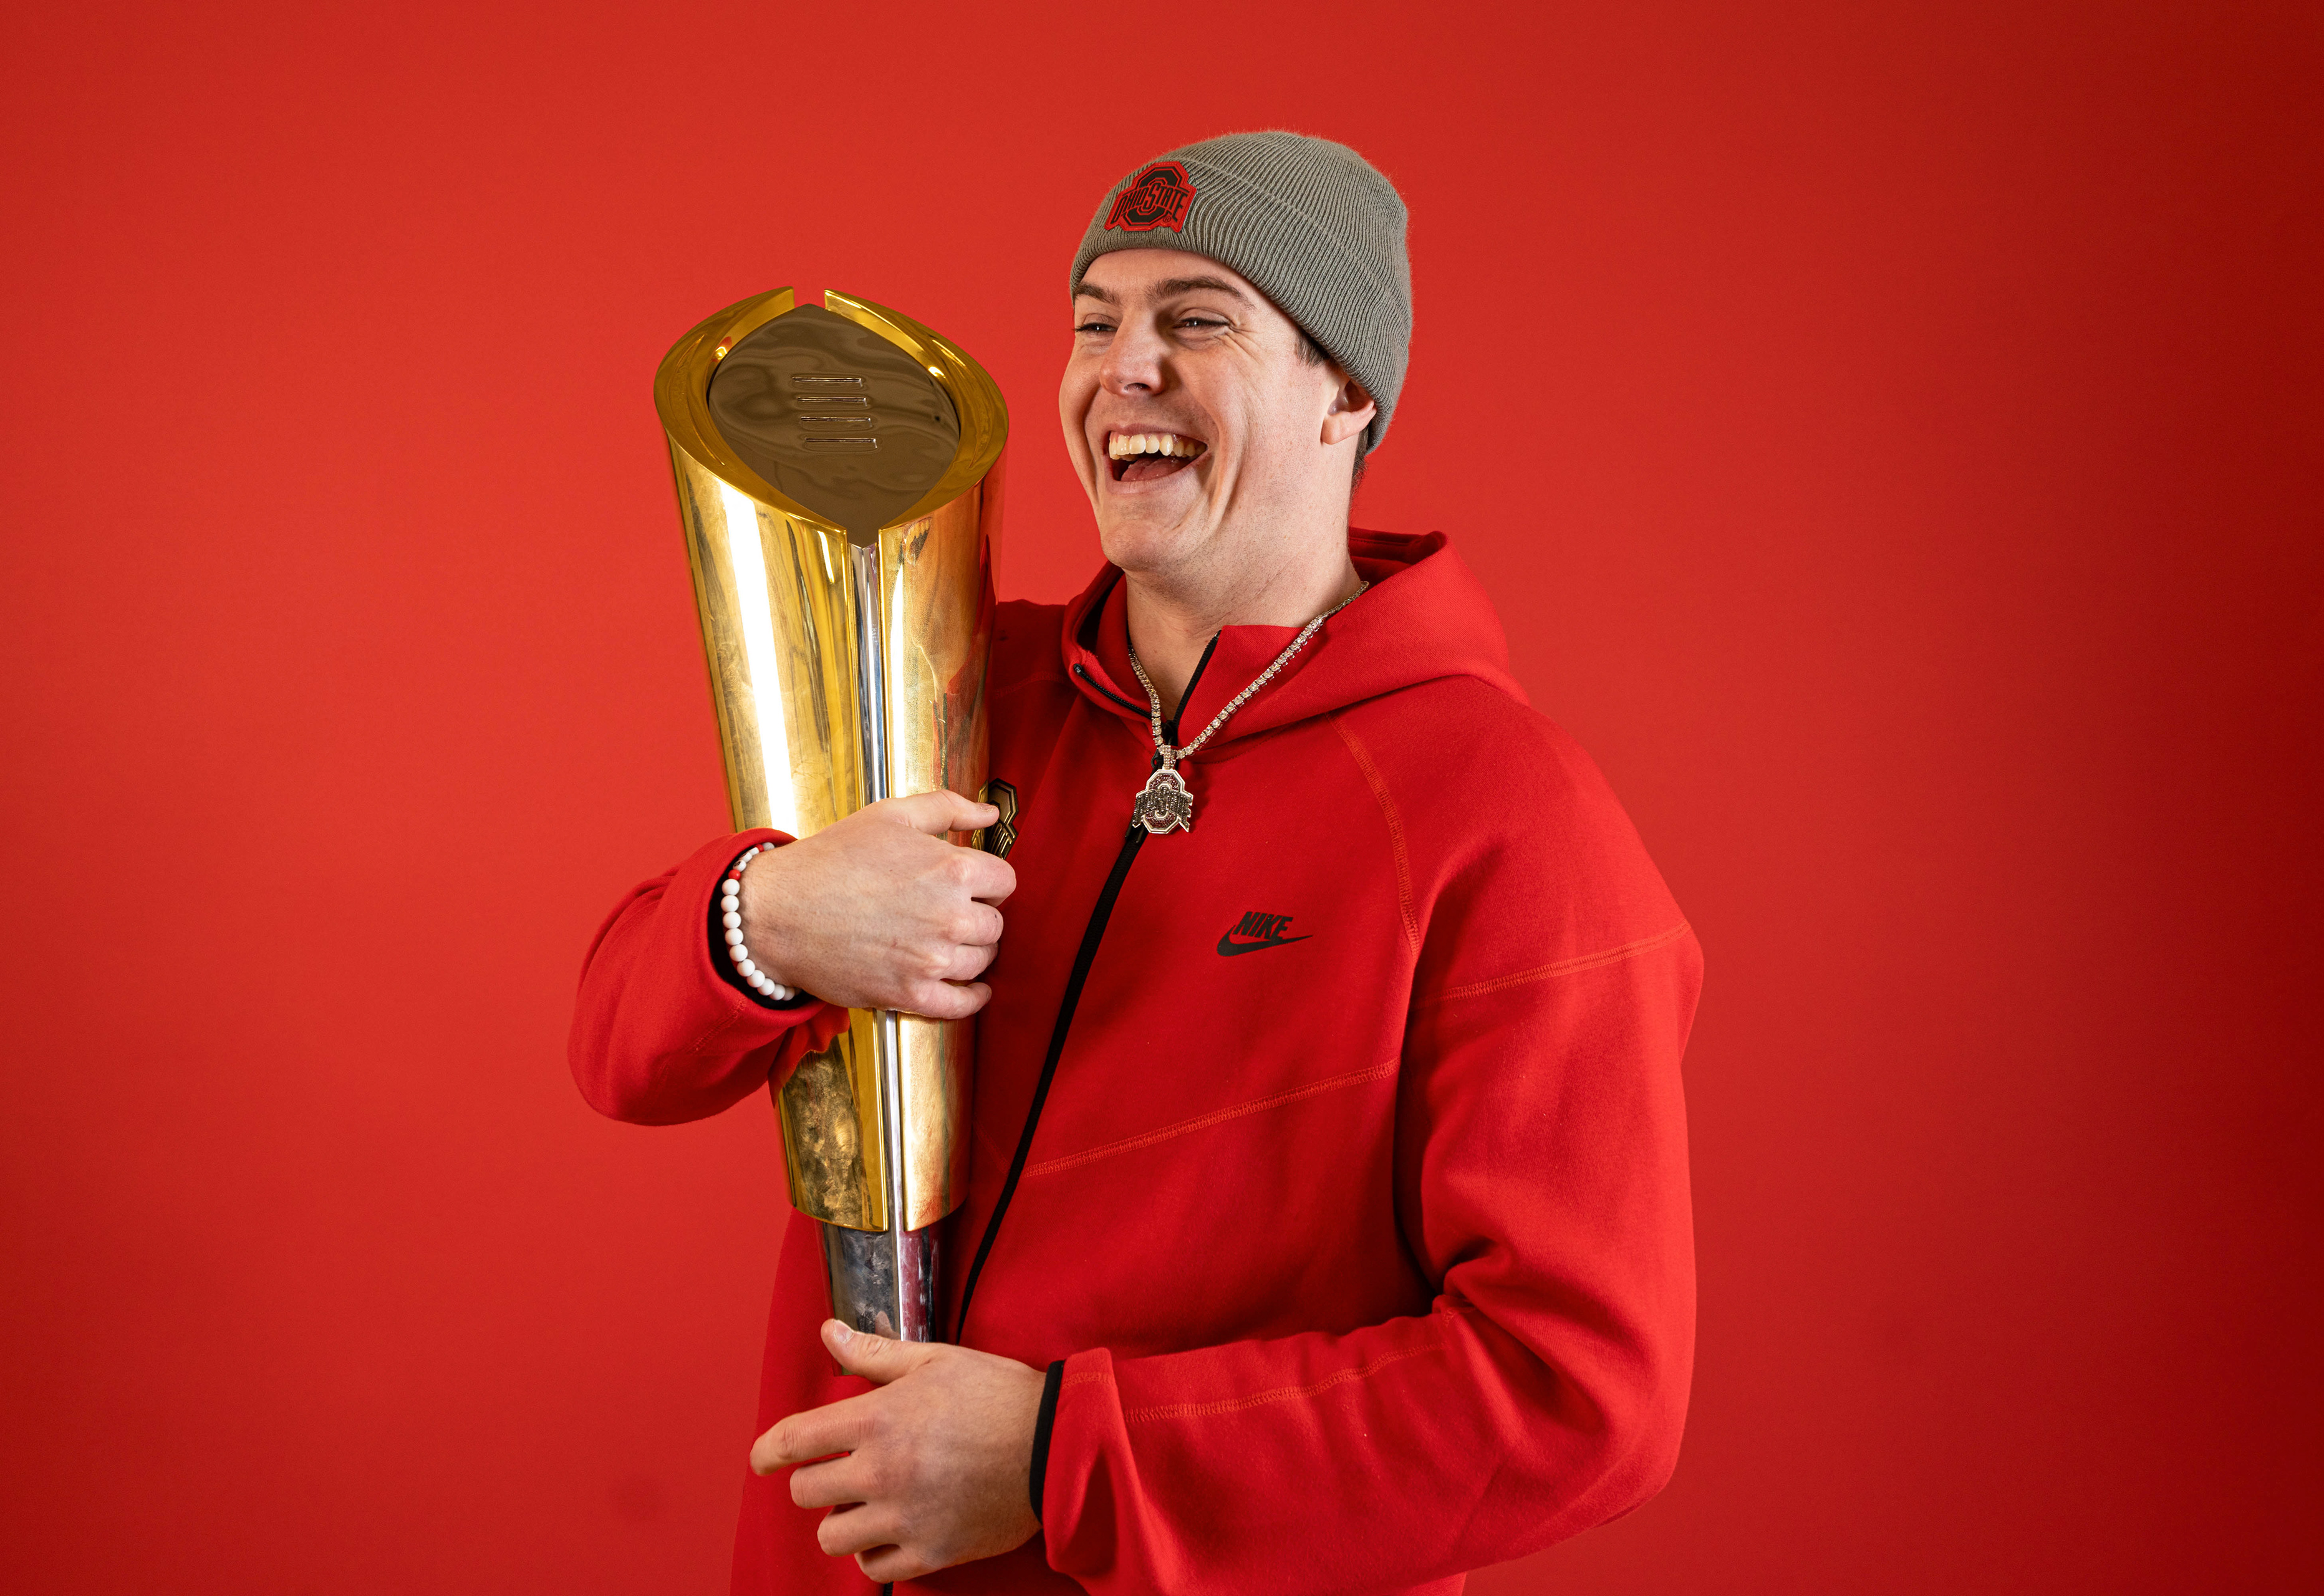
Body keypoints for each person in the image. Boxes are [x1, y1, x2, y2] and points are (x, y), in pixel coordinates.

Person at [570, 131, 1700, 1595]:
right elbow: (616, 1049)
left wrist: (1060, 1456)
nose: (1124, 370)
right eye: (1095, 322)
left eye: (1197, 319)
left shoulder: (1512, 816)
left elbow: (1578, 1389)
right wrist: (766, 918)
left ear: (1347, 392)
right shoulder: (959, 689)